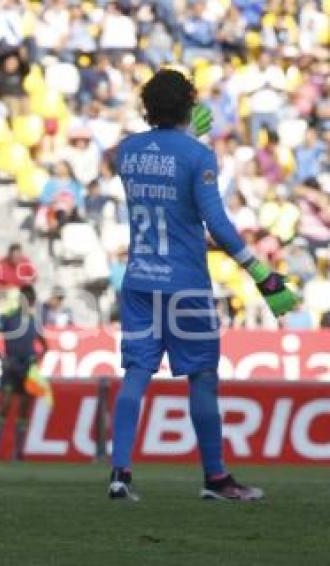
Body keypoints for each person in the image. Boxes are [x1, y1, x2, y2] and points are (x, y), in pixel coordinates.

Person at [109, 69, 297, 502]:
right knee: (202, 376)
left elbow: (159, 162)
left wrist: (183, 133)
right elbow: (218, 224)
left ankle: (120, 474)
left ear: (148, 108)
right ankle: (215, 479)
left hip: (139, 280)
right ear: (190, 106)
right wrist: (262, 275)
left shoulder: (127, 151)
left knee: (136, 373)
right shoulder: (198, 156)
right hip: (185, 283)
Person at [0, 285, 47, 462]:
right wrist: (2, 358)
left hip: (27, 368)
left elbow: (45, 346)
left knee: (24, 410)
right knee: (4, 405)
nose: (26, 302)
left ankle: (18, 453)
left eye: (29, 299)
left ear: (32, 302)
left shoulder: (33, 322)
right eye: (24, 298)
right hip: (11, 367)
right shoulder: (7, 318)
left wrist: (38, 360)